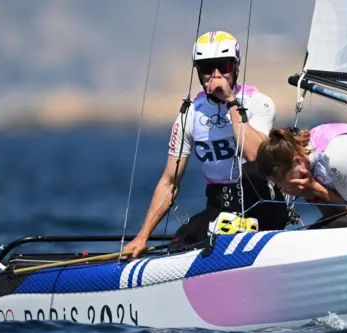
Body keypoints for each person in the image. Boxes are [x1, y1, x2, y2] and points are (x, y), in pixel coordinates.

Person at [122, 30, 289, 258]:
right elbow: (170, 182)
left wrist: (231, 102)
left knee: (251, 171)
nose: (217, 75)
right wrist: (142, 236)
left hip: (261, 200)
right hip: (220, 205)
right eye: (208, 68)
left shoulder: (259, 103)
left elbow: (253, 154)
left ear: (236, 67)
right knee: (179, 246)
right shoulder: (189, 115)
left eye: (224, 66)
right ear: (199, 72)